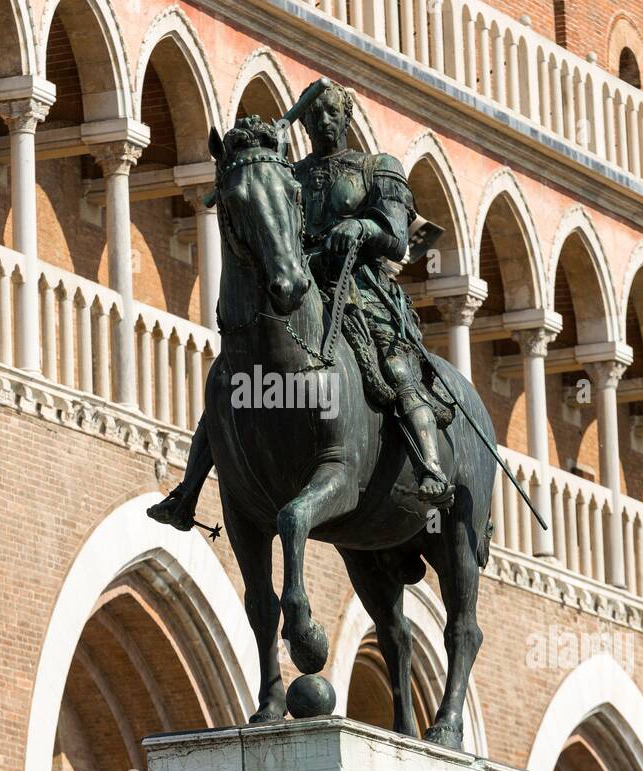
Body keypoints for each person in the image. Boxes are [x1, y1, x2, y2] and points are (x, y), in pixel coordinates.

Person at [149, 79, 451, 533]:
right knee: (233, 374)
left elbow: (397, 235)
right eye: (314, 116)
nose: (323, 122)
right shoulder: (293, 174)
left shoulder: (376, 169)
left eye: (331, 114)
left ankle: (429, 465)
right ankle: (187, 491)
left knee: (396, 364)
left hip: (362, 286)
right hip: (305, 282)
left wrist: (362, 230)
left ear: (347, 119)